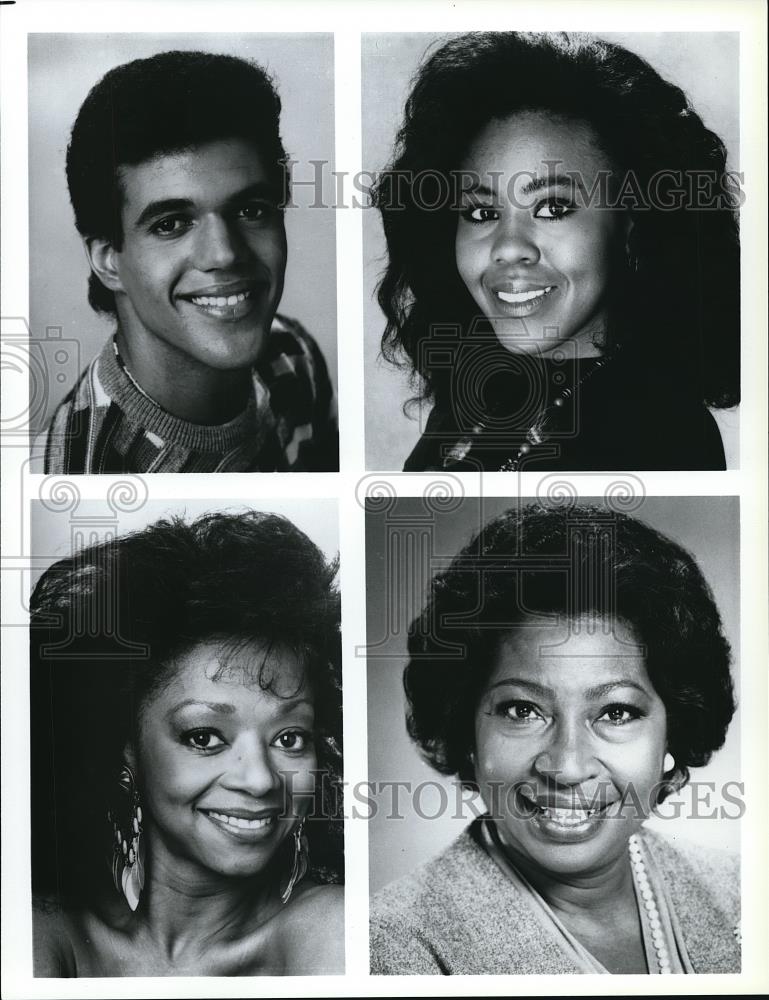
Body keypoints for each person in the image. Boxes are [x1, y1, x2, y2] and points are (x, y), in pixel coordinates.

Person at [370, 504, 739, 974]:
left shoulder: (741, 890)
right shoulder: (397, 948)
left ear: (674, 730)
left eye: (616, 712)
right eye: (523, 710)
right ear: (467, 730)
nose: (566, 766)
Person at [371, 32, 740, 471]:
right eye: (482, 212)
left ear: (632, 223)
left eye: (553, 207)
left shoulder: (663, 431)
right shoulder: (479, 398)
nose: (508, 247)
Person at [30, 511, 344, 976]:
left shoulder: (333, 930)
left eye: (289, 737)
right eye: (204, 737)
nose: (259, 779)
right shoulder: (46, 933)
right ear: (127, 750)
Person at [37, 50, 338, 473]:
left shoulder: (292, 355)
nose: (225, 253)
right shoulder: (74, 469)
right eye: (172, 224)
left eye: (250, 211)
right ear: (108, 261)